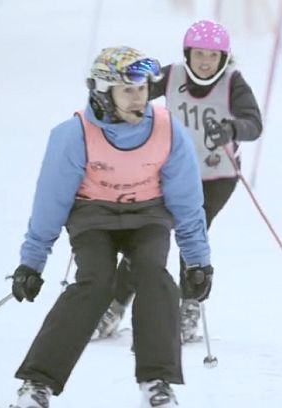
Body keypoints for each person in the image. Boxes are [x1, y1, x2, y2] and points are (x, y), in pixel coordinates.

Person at [8, 45, 213, 408]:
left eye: (144, 89)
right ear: (103, 93)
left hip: (148, 215)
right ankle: (36, 385)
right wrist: (32, 262)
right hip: (94, 217)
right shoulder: (73, 135)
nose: (140, 98)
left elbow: (186, 199)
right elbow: (50, 202)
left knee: (154, 274)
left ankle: (157, 383)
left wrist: (198, 260)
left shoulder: (168, 131)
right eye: (128, 90)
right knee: (96, 282)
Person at [93, 20, 262, 343]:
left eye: (213, 56)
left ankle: (190, 306)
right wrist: (111, 94)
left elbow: (254, 123)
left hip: (216, 177)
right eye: (199, 54)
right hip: (170, 172)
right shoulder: (172, 76)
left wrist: (231, 128)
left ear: (224, 58)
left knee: (191, 233)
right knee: (144, 236)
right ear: (188, 53)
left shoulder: (232, 83)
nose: (205, 62)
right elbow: (134, 88)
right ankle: (114, 306)